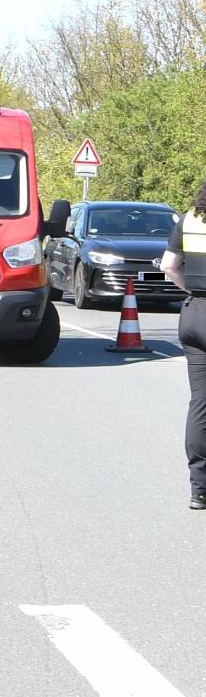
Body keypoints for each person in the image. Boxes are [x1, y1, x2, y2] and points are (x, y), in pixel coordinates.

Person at [161, 175, 206, 511]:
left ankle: (199, 490)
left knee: (200, 404)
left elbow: (168, 266)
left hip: (194, 315)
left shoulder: (190, 219)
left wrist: (191, 290)